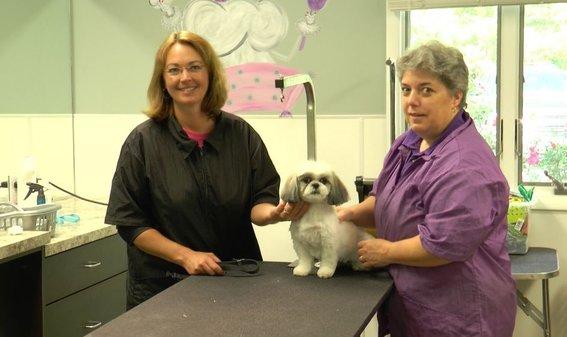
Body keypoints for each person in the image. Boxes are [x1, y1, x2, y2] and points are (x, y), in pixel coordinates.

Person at [105, 31, 306, 309]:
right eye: (174, 70)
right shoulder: (143, 142)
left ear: (210, 74)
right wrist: (185, 256)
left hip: (234, 282)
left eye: (195, 67)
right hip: (163, 288)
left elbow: (260, 199)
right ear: (163, 81)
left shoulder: (241, 135)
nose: (185, 77)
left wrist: (274, 214)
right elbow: (129, 223)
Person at [337, 41, 516, 336]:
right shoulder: (408, 141)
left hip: (458, 317)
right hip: (415, 308)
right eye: (406, 89)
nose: (411, 101)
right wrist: (350, 213)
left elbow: (443, 245)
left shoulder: (463, 166)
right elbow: (385, 199)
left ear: (456, 97)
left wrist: (387, 251)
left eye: (426, 90)